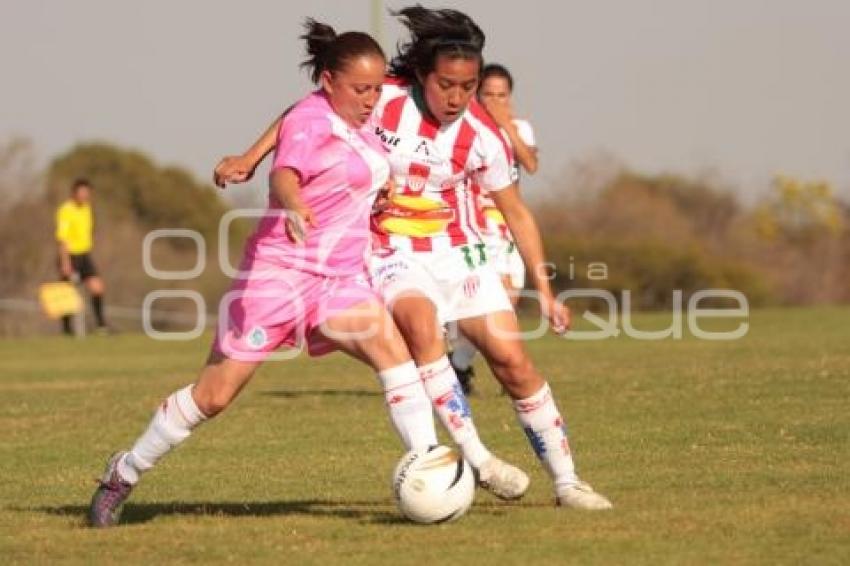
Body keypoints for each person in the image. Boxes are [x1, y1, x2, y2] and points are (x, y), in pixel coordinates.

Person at [215, 7, 612, 510]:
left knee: (512, 361)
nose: (456, 97)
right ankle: (477, 457)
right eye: (446, 84)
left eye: (467, 87)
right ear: (422, 74)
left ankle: (568, 481)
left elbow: (517, 214)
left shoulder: (483, 138)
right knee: (421, 329)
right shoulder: (385, 99)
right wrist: (250, 159)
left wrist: (547, 291)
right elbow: (307, 113)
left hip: (459, 252)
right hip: (389, 250)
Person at [89, 21, 445, 528]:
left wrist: (254, 157)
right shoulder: (312, 121)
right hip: (278, 278)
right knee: (213, 396)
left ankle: (430, 468)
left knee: (391, 351)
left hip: (338, 279)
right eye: (361, 90)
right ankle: (123, 472)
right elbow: (287, 170)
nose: (372, 100)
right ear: (328, 82)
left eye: (375, 88)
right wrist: (292, 201)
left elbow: (293, 121)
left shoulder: (355, 112)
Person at [449, 63, 539, 394]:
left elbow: (530, 164)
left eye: (502, 95)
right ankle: (506, 371)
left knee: (507, 303)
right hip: (475, 227)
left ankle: (458, 364)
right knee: (491, 302)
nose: (496, 101)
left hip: (507, 230)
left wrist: (505, 126)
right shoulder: (462, 129)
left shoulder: (519, 128)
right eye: (489, 95)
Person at [55, 179, 110, 334]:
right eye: (82, 192)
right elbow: (62, 238)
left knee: (97, 287)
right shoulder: (66, 210)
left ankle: (101, 325)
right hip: (69, 255)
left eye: (87, 193)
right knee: (68, 293)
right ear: (74, 193)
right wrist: (65, 262)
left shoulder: (87, 208)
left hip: (84, 255)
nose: (85, 196)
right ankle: (67, 329)